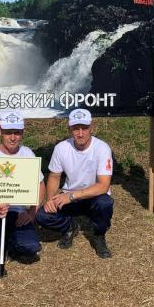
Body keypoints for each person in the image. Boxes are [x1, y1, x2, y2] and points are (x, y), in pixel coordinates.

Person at [36, 109, 115, 259]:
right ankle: (69, 226)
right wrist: (51, 200)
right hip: (70, 197)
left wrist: (71, 196)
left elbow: (103, 186)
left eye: (84, 128)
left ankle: (98, 235)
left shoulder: (102, 148)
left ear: (92, 127)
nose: (80, 133)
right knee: (41, 215)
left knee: (105, 203)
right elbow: (54, 176)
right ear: (69, 129)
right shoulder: (61, 148)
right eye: (76, 128)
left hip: (93, 197)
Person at [0, 110, 45, 278]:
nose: (13, 137)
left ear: (22, 133)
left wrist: (31, 212)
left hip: (17, 212)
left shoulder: (28, 154)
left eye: (17, 133)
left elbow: (40, 185)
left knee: (31, 247)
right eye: (8, 132)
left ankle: (7, 241)